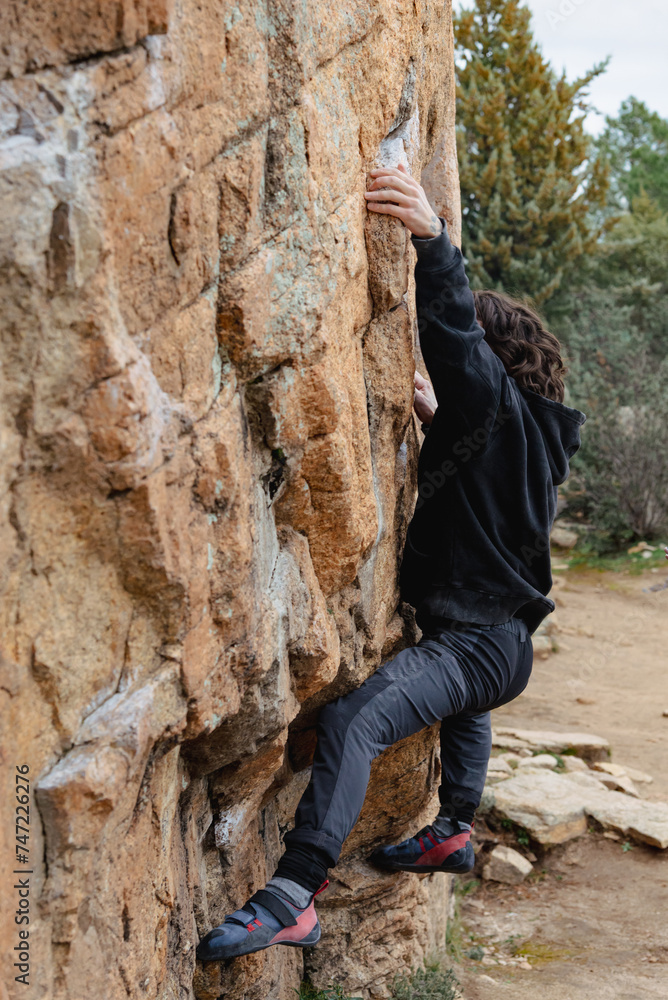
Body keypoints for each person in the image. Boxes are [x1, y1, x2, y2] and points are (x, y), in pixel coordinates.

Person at [197, 164, 586, 962]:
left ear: (496, 370)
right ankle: (453, 832)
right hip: (506, 647)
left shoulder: (495, 407)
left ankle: (295, 891)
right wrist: (450, 424)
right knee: (462, 700)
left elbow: (458, 339)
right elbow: (490, 445)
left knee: (354, 719)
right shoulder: (532, 440)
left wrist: (433, 240)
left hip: (479, 645)